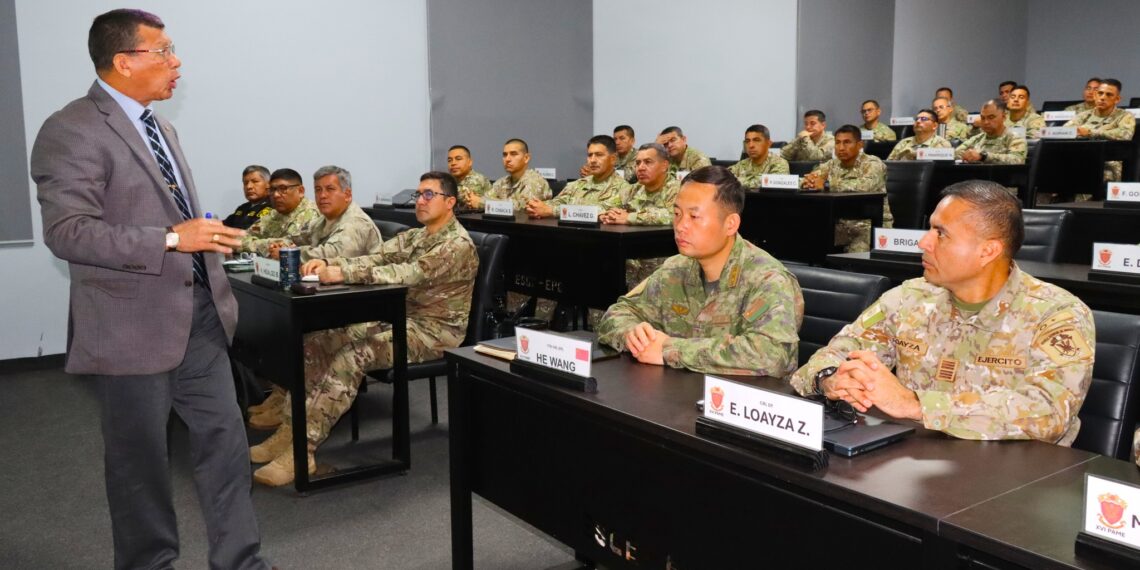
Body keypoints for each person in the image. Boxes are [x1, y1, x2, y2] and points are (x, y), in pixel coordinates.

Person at [30, 9, 269, 569]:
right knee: (140, 467)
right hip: (129, 328)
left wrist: (198, 241)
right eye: (162, 51)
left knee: (225, 449)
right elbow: (68, 232)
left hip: (201, 318)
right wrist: (168, 239)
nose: (175, 61)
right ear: (123, 62)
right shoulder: (70, 129)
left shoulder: (160, 125)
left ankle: (242, 561)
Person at [791, 181, 1094, 445]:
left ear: (988, 251)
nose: (924, 242)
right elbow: (834, 354)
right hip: (912, 467)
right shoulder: (910, 298)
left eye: (941, 233)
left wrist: (916, 405)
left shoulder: (1056, 314)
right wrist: (830, 379)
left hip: (1011, 486)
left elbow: (1049, 412)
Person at [250, 172, 478, 486]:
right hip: (398, 318)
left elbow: (406, 273)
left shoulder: (457, 244)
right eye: (418, 194)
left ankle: (304, 451)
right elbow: (378, 256)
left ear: (449, 202)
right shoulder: (418, 236)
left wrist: (339, 273)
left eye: (429, 195)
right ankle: (291, 431)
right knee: (317, 340)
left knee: (352, 355)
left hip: (434, 331)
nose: (420, 201)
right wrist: (335, 267)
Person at [596, 166, 803, 376]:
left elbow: (772, 355)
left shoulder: (767, 278)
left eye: (694, 217)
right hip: (676, 397)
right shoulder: (675, 269)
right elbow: (617, 314)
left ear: (730, 224)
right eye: (677, 214)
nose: (680, 226)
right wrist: (633, 334)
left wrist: (670, 350)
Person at [601, 142, 682, 288]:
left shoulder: (678, 189)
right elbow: (606, 206)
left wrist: (629, 217)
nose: (641, 167)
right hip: (630, 266)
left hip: (663, 271)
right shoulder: (634, 189)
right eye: (638, 163)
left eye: (648, 162)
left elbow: (673, 215)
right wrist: (606, 215)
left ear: (665, 165)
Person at [266, 165, 382, 263]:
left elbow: (331, 255)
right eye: (318, 190)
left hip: (359, 288)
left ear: (347, 195)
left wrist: (287, 253)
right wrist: (280, 246)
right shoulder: (322, 221)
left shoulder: (357, 223)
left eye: (330, 189)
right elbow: (296, 238)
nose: (322, 195)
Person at [801, 125, 890, 252]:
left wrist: (827, 185)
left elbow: (864, 187)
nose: (841, 148)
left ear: (860, 145)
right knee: (808, 240)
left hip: (869, 226)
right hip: (840, 224)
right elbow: (813, 178)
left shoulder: (873, 164)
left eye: (847, 142)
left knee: (856, 255)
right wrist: (807, 182)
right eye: (837, 143)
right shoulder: (832, 164)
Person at [525, 135, 630, 218]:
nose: (592, 160)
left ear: (613, 159)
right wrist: (536, 207)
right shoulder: (578, 184)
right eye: (590, 155)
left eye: (599, 155)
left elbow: (598, 211)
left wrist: (551, 211)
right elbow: (556, 202)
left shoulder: (623, 189)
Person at [235, 167, 321, 257]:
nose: (276, 195)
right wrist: (269, 245)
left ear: (300, 191)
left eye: (283, 188)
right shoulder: (274, 213)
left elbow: (288, 246)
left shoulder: (310, 213)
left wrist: (257, 244)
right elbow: (241, 238)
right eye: (272, 190)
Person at [1065, 78, 1136, 182]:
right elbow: (1065, 131)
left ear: (1117, 99)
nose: (1103, 97)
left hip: (1107, 163)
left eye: (1109, 95)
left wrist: (1090, 133)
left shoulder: (1125, 116)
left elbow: (1124, 135)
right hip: (1080, 158)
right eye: (1100, 93)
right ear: (1095, 95)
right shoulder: (1083, 116)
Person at [478, 138, 552, 209]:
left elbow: (522, 208)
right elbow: (486, 197)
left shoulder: (535, 181)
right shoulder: (502, 182)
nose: (507, 159)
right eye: (505, 155)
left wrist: (482, 203)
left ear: (526, 158)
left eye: (513, 154)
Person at [955, 100, 1028, 164]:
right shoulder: (978, 138)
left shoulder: (1015, 138)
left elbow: (1017, 160)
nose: (986, 122)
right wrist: (968, 155)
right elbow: (956, 153)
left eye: (991, 117)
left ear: (1003, 117)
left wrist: (984, 156)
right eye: (983, 118)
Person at [888, 109, 952, 160]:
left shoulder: (942, 144)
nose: (918, 121)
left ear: (935, 125)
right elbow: (888, 165)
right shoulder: (904, 143)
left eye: (924, 119)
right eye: (916, 119)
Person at [222, 165, 273, 229]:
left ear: (268, 184)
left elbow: (252, 231)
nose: (249, 187)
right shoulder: (242, 208)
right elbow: (224, 225)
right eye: (245, 183)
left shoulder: (274, 207)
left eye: (255, 181)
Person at [447, 144, 491, 209]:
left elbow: (466, 201)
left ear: (470, 162)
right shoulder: (450, 180)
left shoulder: (477, 179)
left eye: (458, 159)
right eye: (449, 160)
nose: (453, 163)